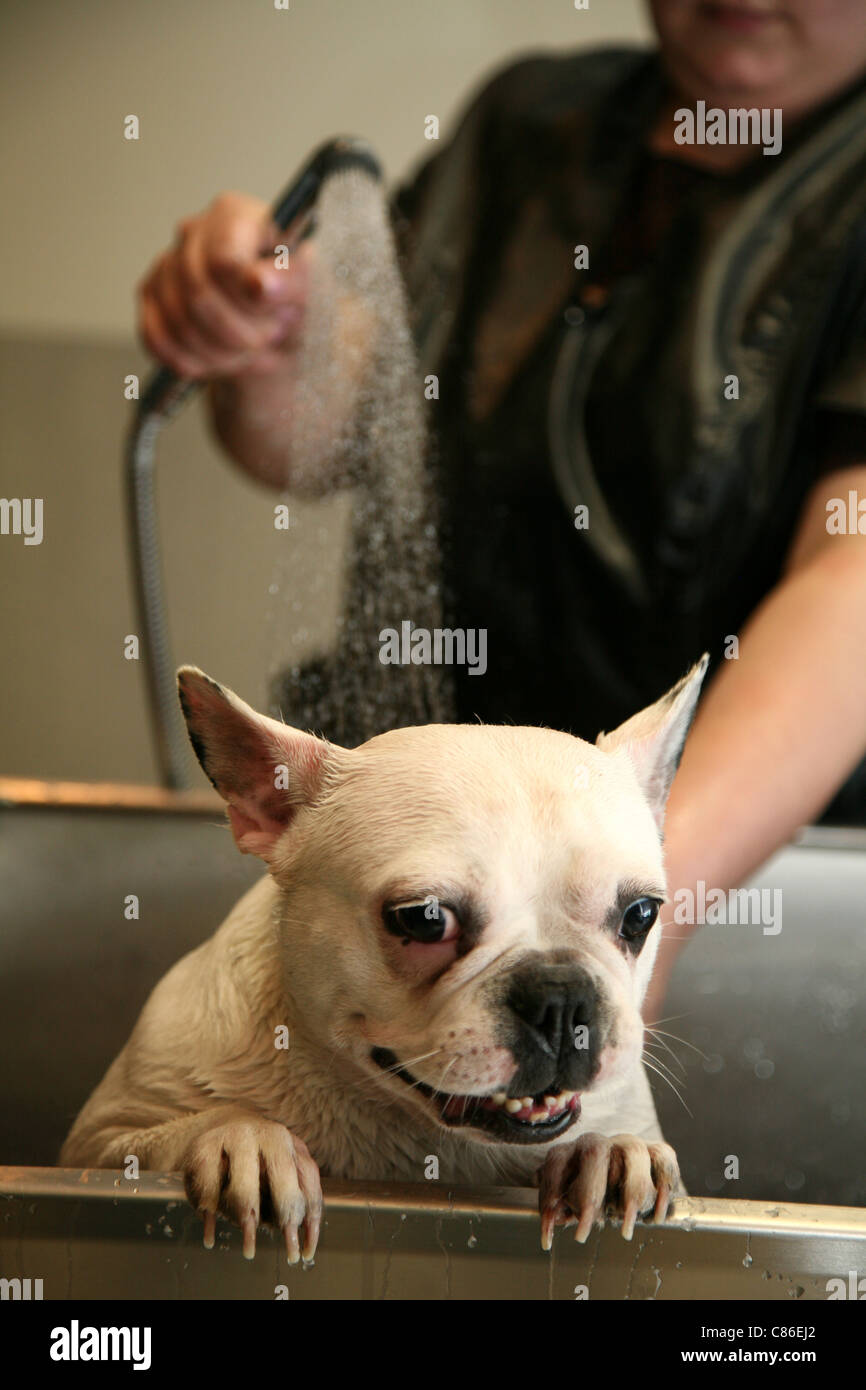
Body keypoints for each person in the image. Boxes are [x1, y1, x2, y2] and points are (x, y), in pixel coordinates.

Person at [137, 0, 866, 1024]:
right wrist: (263, 333)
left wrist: (627, 914)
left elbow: (854, 587)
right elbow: (319, 438)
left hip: (761, 886)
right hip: (398, 874)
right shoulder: (527, 122)